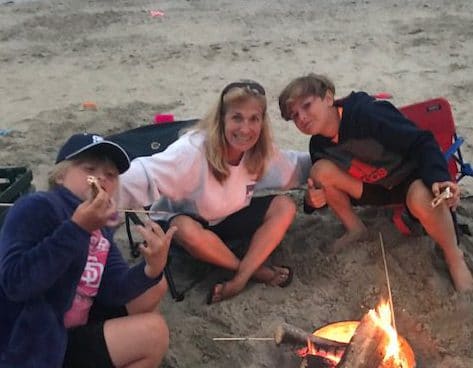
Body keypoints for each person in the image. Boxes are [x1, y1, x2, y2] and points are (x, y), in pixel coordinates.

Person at [119, 80, 311, 304]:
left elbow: (295, 167)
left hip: (227, 216)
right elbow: (144, 173)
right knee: (183, 228)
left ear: (262, 122)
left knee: (285, 206)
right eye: (237, 117)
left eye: (254, 119)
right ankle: (253, 271)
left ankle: (241, 276)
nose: (245, 129)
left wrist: (329, 162)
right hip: (185, 224)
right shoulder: (192, 150)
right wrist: (91, 190)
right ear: (222, 119)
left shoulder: (257, 151)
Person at [278, 73, 473, 292]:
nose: (302, 118)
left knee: (421, 198)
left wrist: (439, 178)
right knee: (320, 170)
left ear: (328, 98)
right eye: (294, 115)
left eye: (306, 106)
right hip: (374, 189)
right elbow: (326, 193)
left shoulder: (367, 113)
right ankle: (356, 229)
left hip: (409, 180)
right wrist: (312, 201)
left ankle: (454, 256)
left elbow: (422, 141)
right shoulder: (318, 145)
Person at [0, 133, 176, 368]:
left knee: (156, 285)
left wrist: (152, 268)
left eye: (111, 175)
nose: (102, 178)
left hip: (73, 324)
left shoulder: (99, 226)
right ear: (60, 176)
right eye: (90, 169)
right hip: (32, 342)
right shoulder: (38, 206)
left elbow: (114, 289)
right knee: (154, 332)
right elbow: (15, 283)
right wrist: (77, 229)